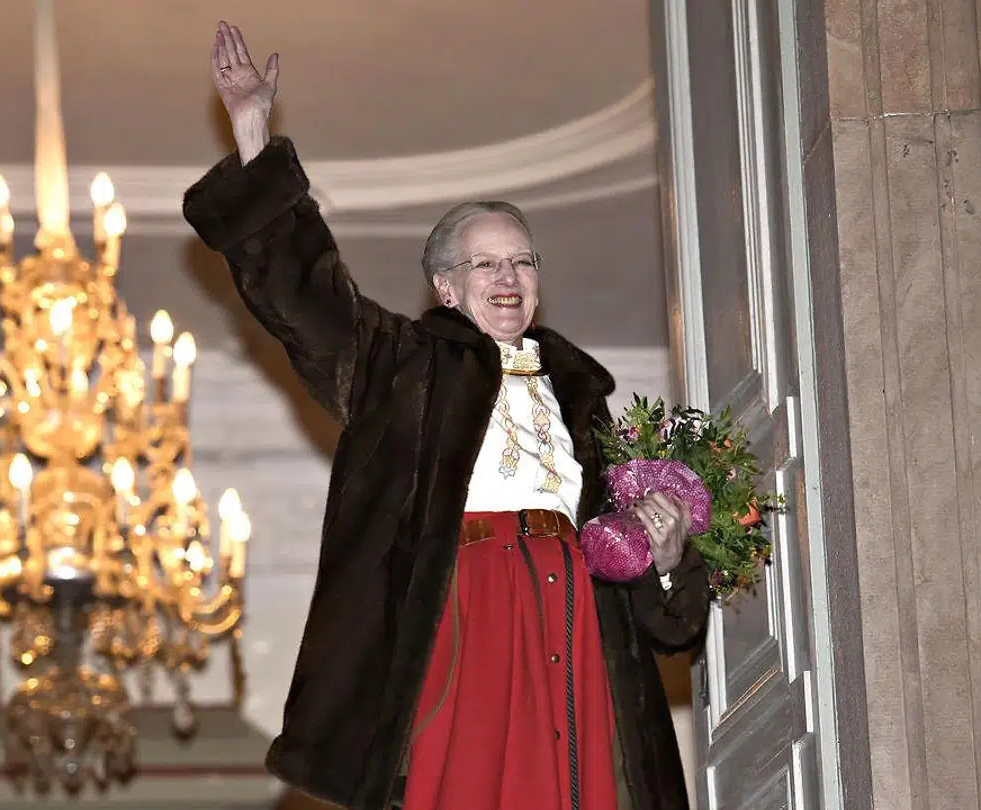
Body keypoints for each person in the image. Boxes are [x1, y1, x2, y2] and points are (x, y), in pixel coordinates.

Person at [183, 22, 712, 810]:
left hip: (580, 622)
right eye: (486, 262)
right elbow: (309, 302)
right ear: (446, 289)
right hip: (466, 610)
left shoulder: (589, 405)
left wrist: (667, 554)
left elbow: (669, 627)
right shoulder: (404, 366)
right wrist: (256, 136)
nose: (509, 275)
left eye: (523, 259)